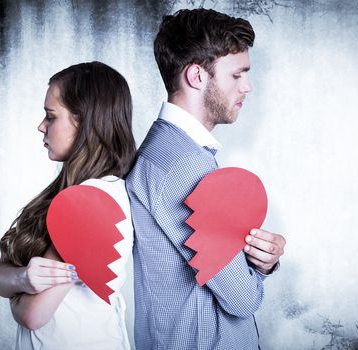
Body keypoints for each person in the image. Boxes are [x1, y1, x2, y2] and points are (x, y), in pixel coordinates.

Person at [126, 8, 287, 349]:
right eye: (237, 75)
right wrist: (257, 272)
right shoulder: (184, 166)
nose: (248, 86)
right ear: (197, 76)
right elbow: (242, 299)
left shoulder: (171, 152)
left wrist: (261, 258)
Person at [0, 61, 136, 350]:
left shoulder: (90, 203)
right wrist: (23, 279)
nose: (41, 126)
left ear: (83, 121)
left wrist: (18, 288)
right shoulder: (76, 193)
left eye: (51, 116)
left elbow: (32, 314)